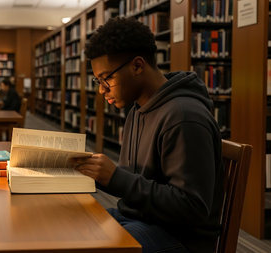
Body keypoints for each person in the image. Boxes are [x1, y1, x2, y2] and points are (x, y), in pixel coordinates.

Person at [71, 17, 224, 253]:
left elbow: (192, 207)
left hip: (180, 237)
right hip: (139, 218)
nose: (102, 89)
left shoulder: (183, 116)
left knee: (89, 245)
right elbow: (139, 181)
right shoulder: (137, 109)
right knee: (69, 225)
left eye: (107, 78)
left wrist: (116, 178)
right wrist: (96, 175)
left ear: (138, 66)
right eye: (97, 80)